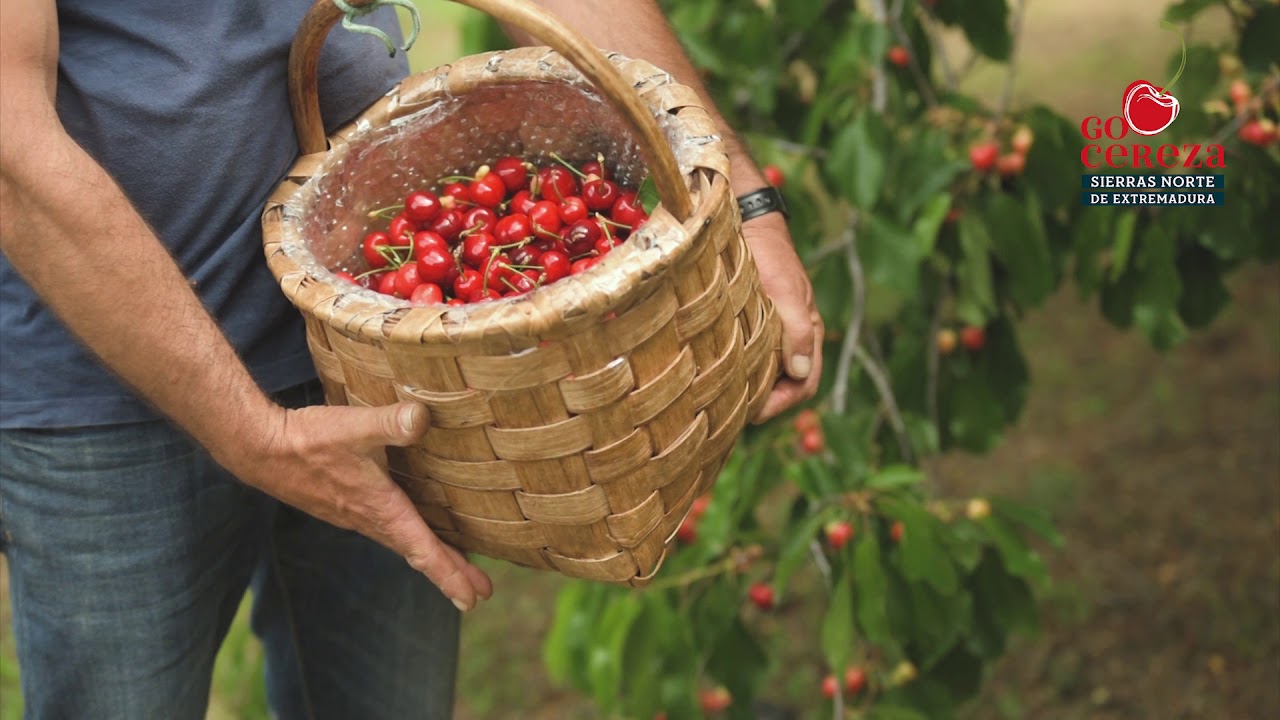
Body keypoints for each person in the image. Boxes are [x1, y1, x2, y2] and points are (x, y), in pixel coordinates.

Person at [0, 0, 823, 717]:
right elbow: (13, 147)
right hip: (105, 401)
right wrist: (256, 433)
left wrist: (744, 206)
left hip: (395, 351)